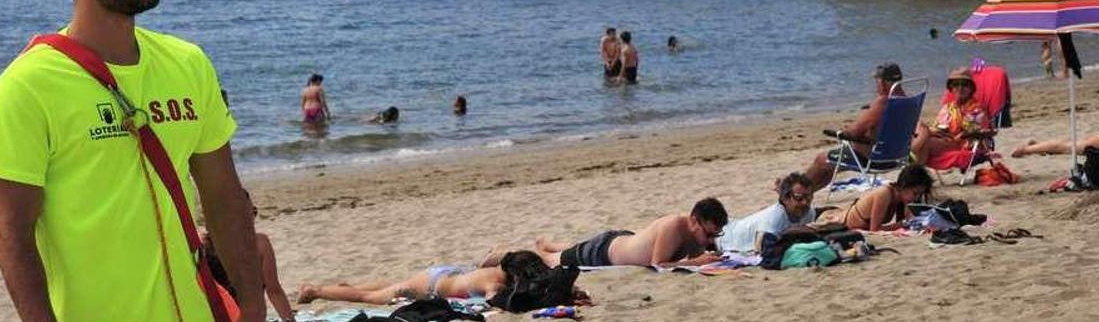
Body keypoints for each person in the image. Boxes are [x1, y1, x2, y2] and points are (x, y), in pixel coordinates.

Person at [0, 0, 265, 321]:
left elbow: (224, 197)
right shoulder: (26, 88)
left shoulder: (187, 64)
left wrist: (251, 305)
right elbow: (11, 237)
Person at [296, 251, 581, 306]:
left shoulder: (500, 267)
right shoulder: (493, 285)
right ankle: (317, 291)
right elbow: (506, 302)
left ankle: (344, 288)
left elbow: (493, 255)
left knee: (388, 284)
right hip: (429, 286)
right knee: (370, 298)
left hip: (445, 273)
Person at [533, 198, 727, 269]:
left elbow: (694, 256)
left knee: (578, 247)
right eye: (709, 234)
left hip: (622, 240)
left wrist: (708, 257)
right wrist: (696, 262)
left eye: (715, 236)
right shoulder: (674, 225)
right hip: (604, 252)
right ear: (694, 221)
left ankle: (550, 244)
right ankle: (540, 250)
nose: (709, 240)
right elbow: (658, 263)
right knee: (549, 260)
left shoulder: (696, 233)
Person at [800, 62, 905, 192]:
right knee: (830, 165)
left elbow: (852, 133)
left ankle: (798, 192)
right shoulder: (907, 101)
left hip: (872, 159)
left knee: (822, 159)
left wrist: (842, 132)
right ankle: (806, 193)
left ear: (882, 82)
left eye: (877, 81)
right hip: (898, 156)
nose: (876, 85)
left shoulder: (883, 102)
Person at [203, 198, 295, 322]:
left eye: (253, 212)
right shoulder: (205, 249)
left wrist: (290, 320)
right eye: (243, 215)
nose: (250, 219)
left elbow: (274, 290)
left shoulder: (260, 244)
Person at [717, 173, 816, 253]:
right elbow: (760, 249)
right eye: (798, 198)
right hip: (724, 237)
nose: (805, 202)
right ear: (785, 198)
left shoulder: (809, 212)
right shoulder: (774, 218)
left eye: (809, 197)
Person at [912, 67, 992, 165]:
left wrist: (945, 133)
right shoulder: (948, 107)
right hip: (945, 139)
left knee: (925, 143)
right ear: (951, 88)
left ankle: (912, 155)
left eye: (964, 84)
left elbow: (973, 132)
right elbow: (939, 126)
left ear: (971, 88)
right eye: (956, 85)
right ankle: (915, 165)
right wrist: (935, 131)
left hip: (963, 144)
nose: (960, 88)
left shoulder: (976, 109)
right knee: (921, 126)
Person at [822, 164, 932, 232]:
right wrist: (904, 223)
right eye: (915, 193)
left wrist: (909, 215)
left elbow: (903, 223)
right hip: (842, 223)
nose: (916, 197)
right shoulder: (884, 194)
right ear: (904, 186)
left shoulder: (900, 197)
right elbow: (875, 229)